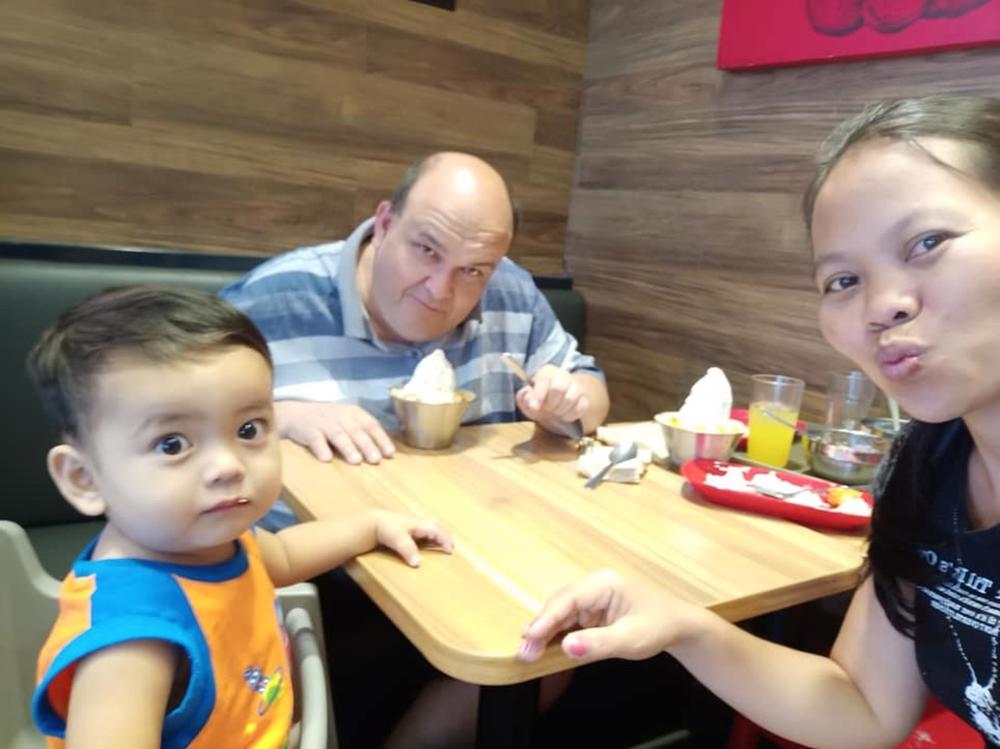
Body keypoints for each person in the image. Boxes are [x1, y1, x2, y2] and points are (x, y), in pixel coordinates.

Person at [518, 94, 1000, 747]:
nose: (881, 305)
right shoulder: (927, 469)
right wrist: (682, 625)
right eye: (843, 280)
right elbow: (863, 705)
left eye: (928, 242)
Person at [28, 286, 452, 748]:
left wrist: (369, 526)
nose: (228, 466)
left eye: (248, 430)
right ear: (84, 479)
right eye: (172, 444)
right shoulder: (131, 642)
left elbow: (283, 555)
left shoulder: (209, 542)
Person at [220, 151, 609, 475]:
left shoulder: (511, 292)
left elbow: (589, 389)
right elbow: (185, 433)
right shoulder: (272, 301)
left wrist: (568, 405)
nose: (439, 290)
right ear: (384, 224)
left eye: (472, 270)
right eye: (427, 250)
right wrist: (281, 417)